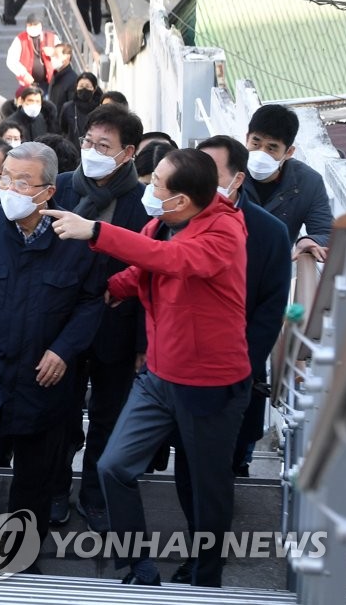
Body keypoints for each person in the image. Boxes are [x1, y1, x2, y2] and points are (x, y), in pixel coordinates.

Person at [43, 148, 251, 587]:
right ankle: (138, 565)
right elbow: (146, 267)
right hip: (158, 376)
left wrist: (97, 231)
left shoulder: (224, 231)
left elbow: (175, 261)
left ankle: (205, 578)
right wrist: (110, 288)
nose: (150, 189)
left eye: (158, 184)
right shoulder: (163, 223)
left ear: (184, 199)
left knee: (208, 489)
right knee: (113, 466)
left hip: (208, 383)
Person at [0, 142, 105, 571]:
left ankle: (20, 562)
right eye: (5, 177)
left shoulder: (76, 238)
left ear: (47, 191)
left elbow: (90, 303)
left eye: (21, 181)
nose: (8, 187)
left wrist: (64, 351)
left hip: (42, 381)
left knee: (34, 480)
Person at [162, 135, 291, 585]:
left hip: (232, 377)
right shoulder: (174, 220)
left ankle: (208, 567)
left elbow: (269, 311)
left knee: (216, 474)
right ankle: (196, 554)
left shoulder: (269, 233)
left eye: (209, 175)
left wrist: (243, 368)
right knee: (186, 466)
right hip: (178, 371)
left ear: (236, 179)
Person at [48, 103, 147, 531]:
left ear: (128, 153)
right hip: (62, 323)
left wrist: (144, 344)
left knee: (108, 415)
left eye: (103, 145)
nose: (92, 150)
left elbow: (149, 270)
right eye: (89, 141)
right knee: (59, 411)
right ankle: (54, 489)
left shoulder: (142, 202)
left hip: (115, 324)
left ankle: (94, 493)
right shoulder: (62, 188)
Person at [244, 104, 333, 262]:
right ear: (246, 139)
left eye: (271, 148)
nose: (261, 153)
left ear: (289, 152)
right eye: (255, 144)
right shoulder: (227, 170)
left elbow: (326, 232)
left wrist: (310, 241)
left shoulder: (308, 183)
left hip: (272, 275)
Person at [6, 14, 60, 90]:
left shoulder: (52, 37)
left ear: (41, 25)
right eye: (29, 25)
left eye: (35, 25)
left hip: (48, 82)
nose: (32, 27)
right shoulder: (20, 39)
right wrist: (24, 74)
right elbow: (11, 60)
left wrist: (53, 53)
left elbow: (62, 55)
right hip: (28, 83)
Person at [59, 72, 102, 148]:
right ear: (76, 87)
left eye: (88, 86)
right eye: (81, 86)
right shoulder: (68, 107)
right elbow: (63, 129)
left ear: (94, 88)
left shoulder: (100, 108)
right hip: (73, 151)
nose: (84, 89)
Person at [47, 44, 79, 111]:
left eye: (56, 55)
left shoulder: (73, 79)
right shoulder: (55, 75)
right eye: (52, 55)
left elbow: (72, 108)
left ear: (67, 57)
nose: (53, 58)